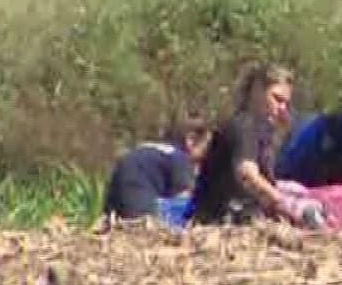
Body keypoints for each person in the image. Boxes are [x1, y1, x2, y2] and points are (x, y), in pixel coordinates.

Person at [187, 63, 309, 225]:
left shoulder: (262, 130)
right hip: (221, 220)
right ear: (257, 90)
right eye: (277, 99)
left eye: (286, 103)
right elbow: (247, 174)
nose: (282, 108)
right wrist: (286, 203)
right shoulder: (244, 125)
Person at [101, 115, 211, 223]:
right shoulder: (178, 157)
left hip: (113, 204)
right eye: (206, 147)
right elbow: (184, 199)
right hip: (139, 206)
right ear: (191, 140)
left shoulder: (151, 149)